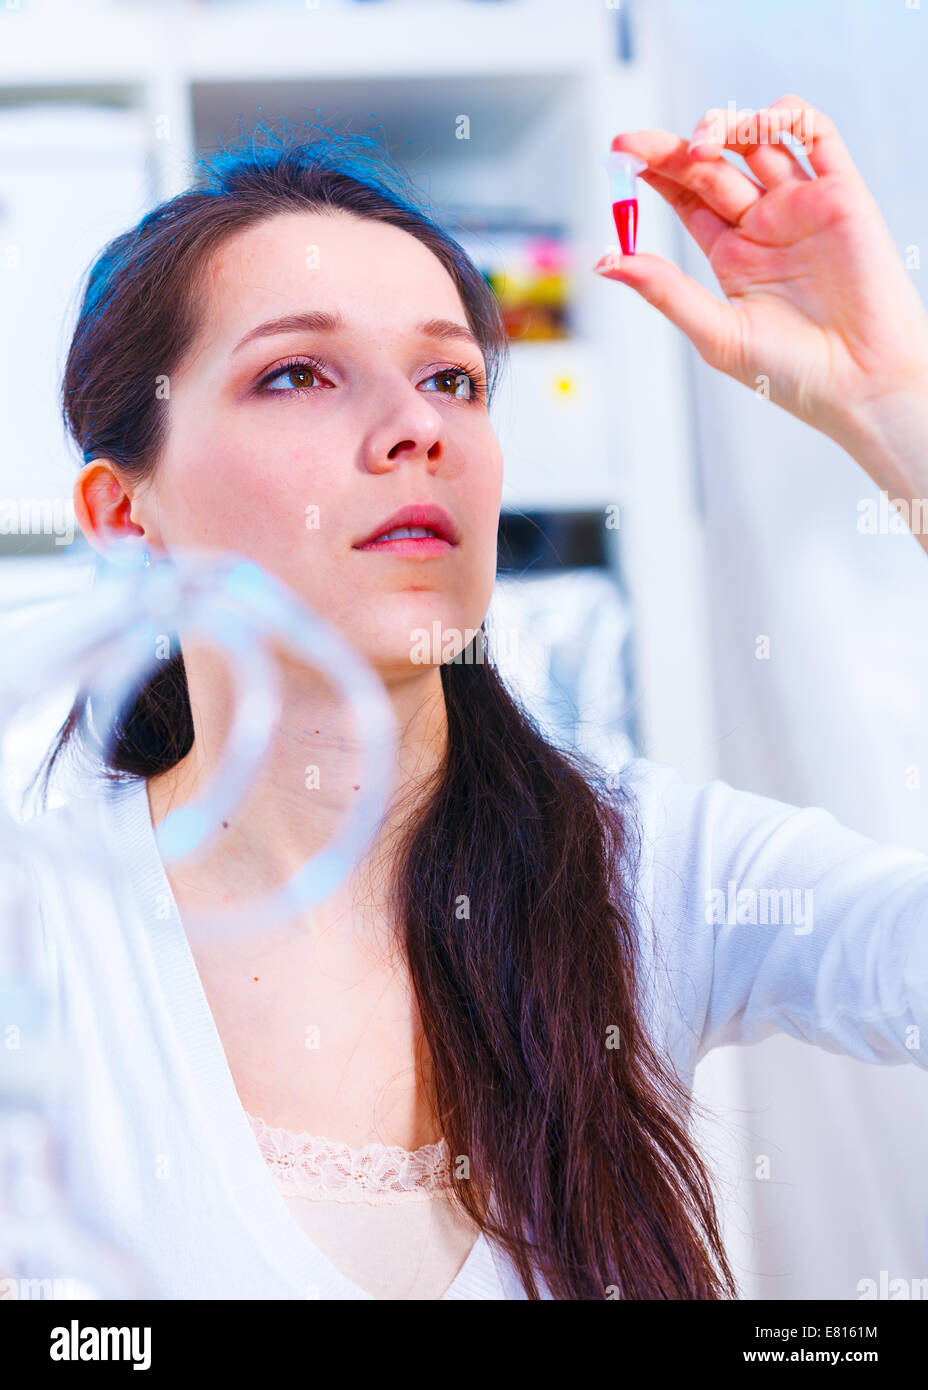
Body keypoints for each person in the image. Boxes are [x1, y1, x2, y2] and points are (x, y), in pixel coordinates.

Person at [16, 96, 928, 1301]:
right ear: (125, 514)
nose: (414, 429)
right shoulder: (41, 936)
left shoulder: (651, 872)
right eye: (297, 374)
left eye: (451, 378)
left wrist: (896, 410)